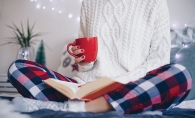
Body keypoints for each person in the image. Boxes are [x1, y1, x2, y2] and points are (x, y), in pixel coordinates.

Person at [8, 0, 192, 114]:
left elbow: (160, 59)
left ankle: (75, 108)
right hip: (85, 87)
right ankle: (106, 106)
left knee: (179, 75)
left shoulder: (154, 2)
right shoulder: (89, 2)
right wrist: (84, 62)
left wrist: (116, 83)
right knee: (17, 68)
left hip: (130, 87)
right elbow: (86, 63)